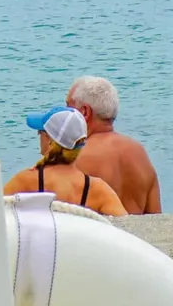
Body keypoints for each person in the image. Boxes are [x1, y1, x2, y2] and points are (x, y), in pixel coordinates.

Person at [2, 106, 126, 216]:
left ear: (50, 140)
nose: (39, 137)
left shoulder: (26, 181)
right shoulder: (98, 190)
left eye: (40, 132)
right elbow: (126, 227)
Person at [64, 75, 161, 214]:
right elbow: (156, 218)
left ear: (85, 112)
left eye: (68, 107)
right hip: (133, 235)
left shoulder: (79, 156)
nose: (64, 114)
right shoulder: (140, 153)